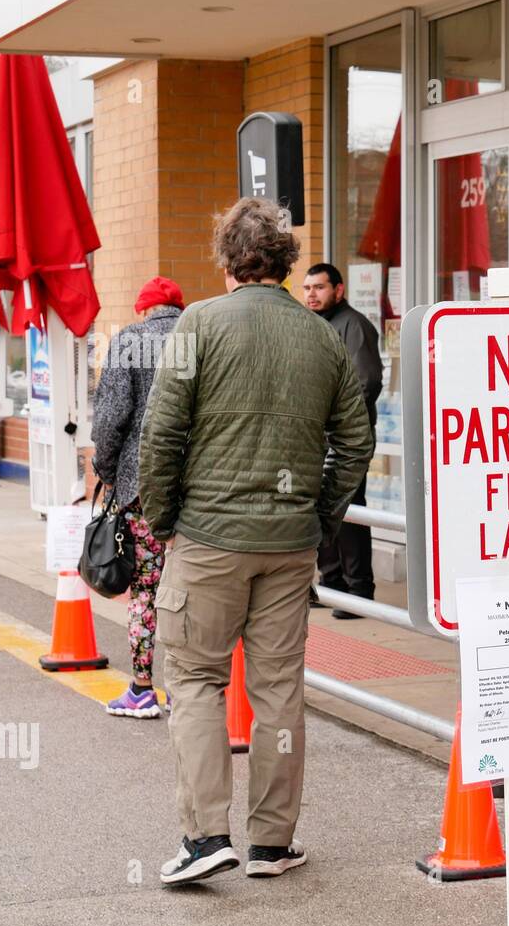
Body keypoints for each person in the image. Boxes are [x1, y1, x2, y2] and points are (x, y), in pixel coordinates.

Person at [139, 197, 373, 886]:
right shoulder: (322, 336)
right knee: (278, 690)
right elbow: (354, 441)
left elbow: (162, 434)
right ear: (286, 262)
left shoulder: (200, 324)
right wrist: (320, 518)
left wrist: (163, 521)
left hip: (207, 536)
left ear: (225, 260)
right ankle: (272, 843)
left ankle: (205, 834)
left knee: (196, 681)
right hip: (290, 539)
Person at [90, 276, 185, 719]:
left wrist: (107, 472)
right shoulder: (201, 335)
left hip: (143, 485)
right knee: (195, 589)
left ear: (144, 309)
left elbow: (111, 416)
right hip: (200, 488)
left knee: (147, 588)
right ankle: (194, 689)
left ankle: (142, 688)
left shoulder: (131, 339)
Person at [302, 263, 382, 619]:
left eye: (319, 287)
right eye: (307, 288)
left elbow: (367, 384)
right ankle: (331, 585)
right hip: (317, 439)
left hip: (346, 441)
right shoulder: (315, 326)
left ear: (339, 289)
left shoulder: (354, 326)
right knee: (322, 512)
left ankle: (359, 591)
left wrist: (338, 424)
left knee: (349, 514)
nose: (312, 295)